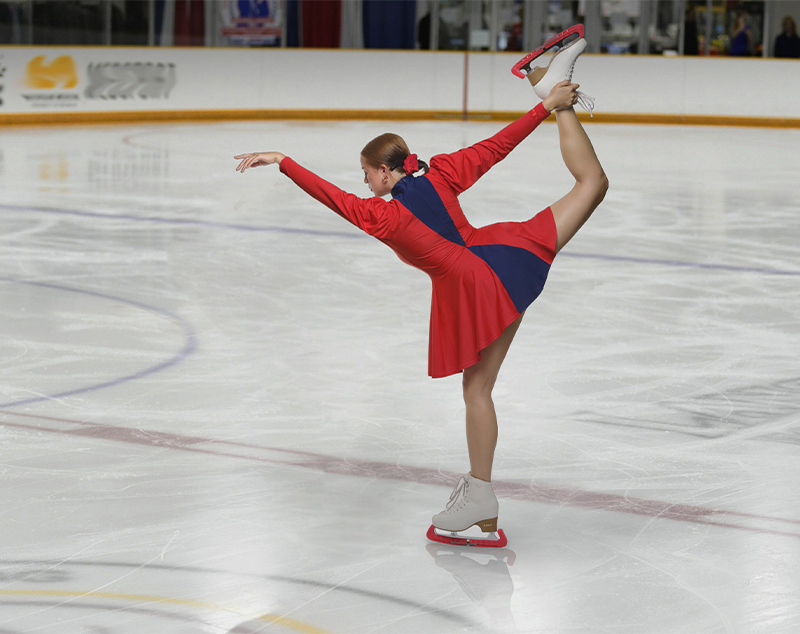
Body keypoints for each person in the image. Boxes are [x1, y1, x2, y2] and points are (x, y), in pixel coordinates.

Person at [234, 37, 607, 547]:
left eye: (367, 175)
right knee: (591, 184)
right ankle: (549, 84)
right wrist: (543, 107)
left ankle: (481, 499)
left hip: (475, 284)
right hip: (504, 252)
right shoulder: (441, 173)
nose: (364, 184)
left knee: (477, 391)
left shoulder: (383, 215)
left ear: (386, 171)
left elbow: (336, 201)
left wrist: (284, 161)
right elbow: (496, 147)